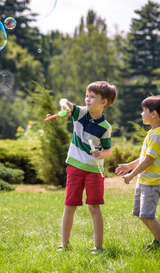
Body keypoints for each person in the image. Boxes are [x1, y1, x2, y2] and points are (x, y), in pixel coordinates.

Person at [57, 81, 117, 253]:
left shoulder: (105, 127)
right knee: (70, 205)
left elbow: (108, 150)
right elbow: (64, 100)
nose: (87, 99)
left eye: (92, 97)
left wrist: (101, 154)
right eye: (86, 96)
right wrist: (65, 106)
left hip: (94, 171)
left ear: (103, 102)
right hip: (75, 167)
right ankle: (65, 244)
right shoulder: (81, 113)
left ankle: (98, 246)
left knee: (94, 207)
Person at [115, 95, 160, 253]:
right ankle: (158, 241)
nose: (141, 114)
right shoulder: (152, 133)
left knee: (148, 215)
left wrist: (131, 175)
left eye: (144, 111)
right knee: (142, 214)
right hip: (144, 181)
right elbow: (144, 158)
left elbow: (148, 161)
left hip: (151, 183)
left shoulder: (158, 136)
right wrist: (129, 166)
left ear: (153, 114)